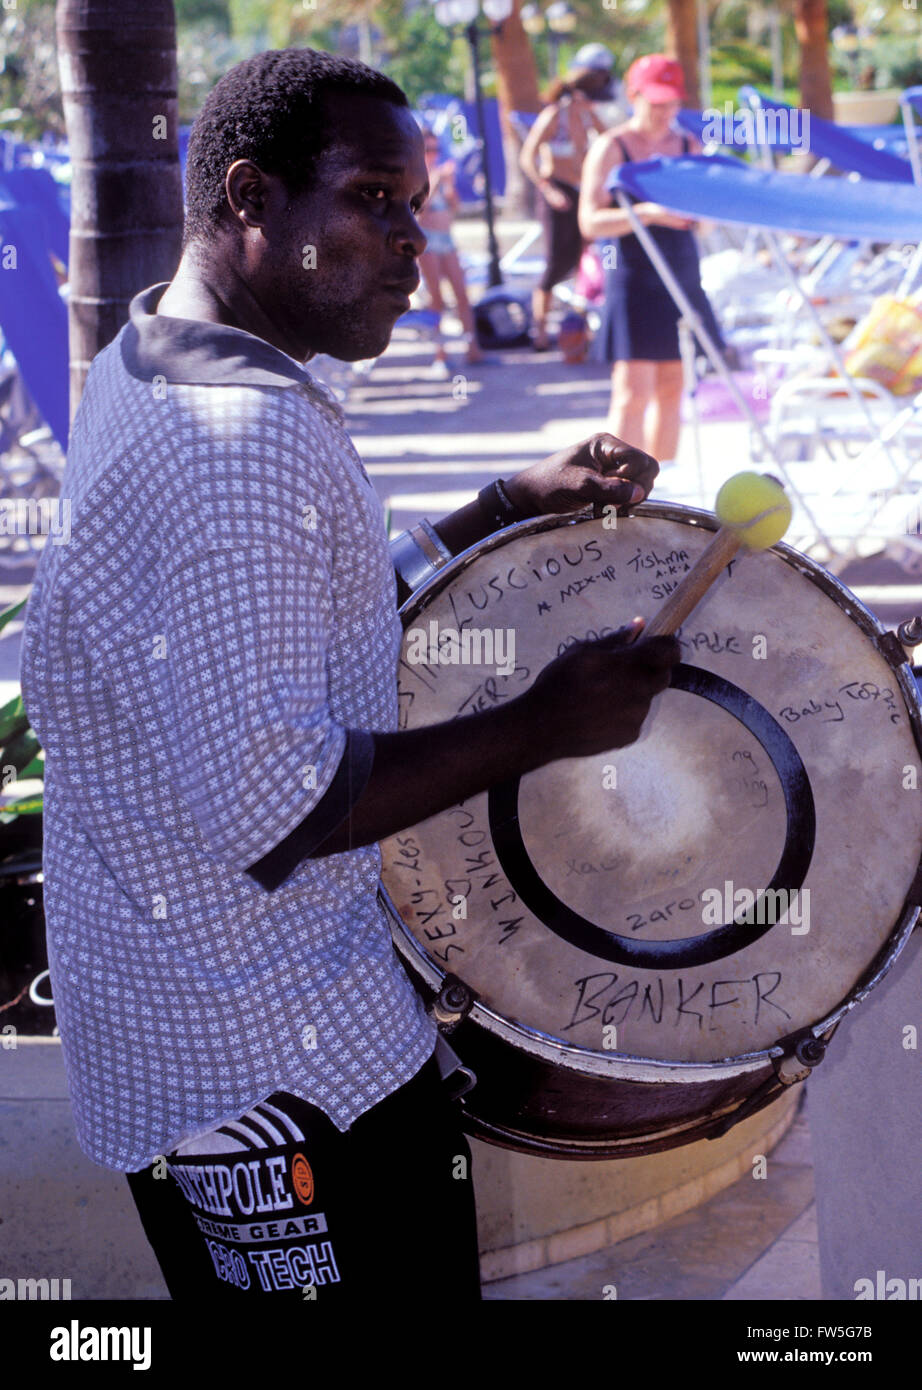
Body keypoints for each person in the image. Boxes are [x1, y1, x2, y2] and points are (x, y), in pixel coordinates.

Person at [18, 47, 680, 1303]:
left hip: (207, 1014)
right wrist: (552, 721)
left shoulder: (155, 344)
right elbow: (281, 801)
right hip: (263, 1062)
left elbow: (260, 637)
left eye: (415, 204)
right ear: (252, 197)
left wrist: (488, 508)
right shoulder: (239, 441)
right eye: (373, 198)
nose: (410, 242)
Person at [579, 53, 725, 465]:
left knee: (673, 387)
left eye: (671, 102)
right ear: (633, 96)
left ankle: (663, 488)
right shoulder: (613, 146)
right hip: (633, 276)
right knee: (632, 389)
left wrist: (700, 216)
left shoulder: (688, 145)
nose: (664, 112)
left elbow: (706, 217)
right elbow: (589, 221)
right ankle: (615, 484)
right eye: (655, 101)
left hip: (680, 272)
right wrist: (646, 213)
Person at [519, 54, 611, 351]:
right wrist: (546, 188)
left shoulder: (587, 117)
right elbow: (527, 156)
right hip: (557, 195)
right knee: (556, 263)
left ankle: (579, 325)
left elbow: (612, 140)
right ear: (579, 94)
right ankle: (540, 330)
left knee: (585, 260)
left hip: (581, 192)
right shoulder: (553, 117)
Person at [417, 128, 483, 369]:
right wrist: (436, 182)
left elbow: (454, 209)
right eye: (428, 150)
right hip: (427, 240)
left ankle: (472, 349)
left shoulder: (439, 175)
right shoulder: (417, 177)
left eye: (436, 149)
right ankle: (440, 353)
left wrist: (450, 186)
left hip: (446, 238)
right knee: (436, 299)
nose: (433, 155)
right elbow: (418, 212)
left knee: (462, 295)